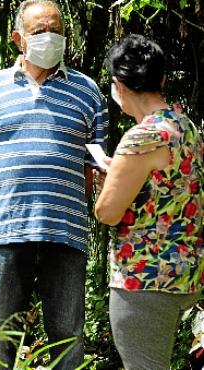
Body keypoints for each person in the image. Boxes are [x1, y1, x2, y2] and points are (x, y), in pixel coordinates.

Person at [0, 1, 108, 368]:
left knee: (67, 342)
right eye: (40, 31)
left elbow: (95, 166)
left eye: (56, 30)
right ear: (18, 39)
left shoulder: (89, 92)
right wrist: (8, 199)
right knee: (1, 343)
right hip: (7, 232)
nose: (51, 37)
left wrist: (63, 200)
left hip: (67, 232)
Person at [95, 34, 204, 370]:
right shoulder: (186, 129)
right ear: (162, 79)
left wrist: (106, 182)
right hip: (188, 274)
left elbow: (108, 212)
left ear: (118, 85)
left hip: (144, 277)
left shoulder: (141, 137)